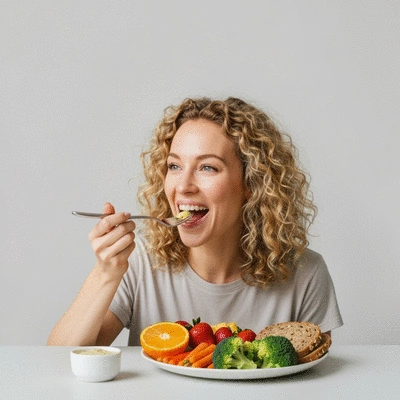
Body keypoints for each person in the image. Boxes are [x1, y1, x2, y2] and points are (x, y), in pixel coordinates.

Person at [47, 97, 343, 346]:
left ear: (252, 183)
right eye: (175, 165)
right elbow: (59, 361)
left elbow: (315, 380)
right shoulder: (141, 267)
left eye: (207, 167)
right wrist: (105, 273)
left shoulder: (306, 275)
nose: (183, 185)